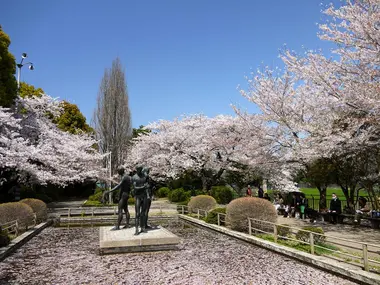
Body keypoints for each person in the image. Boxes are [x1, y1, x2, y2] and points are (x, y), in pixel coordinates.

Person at [132, 166, 149, 235]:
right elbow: (134, 187)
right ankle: (136, 229)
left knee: (143, 213)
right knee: (137, 213)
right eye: (139, 169)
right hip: (138, 196)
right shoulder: (134, 177)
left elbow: (147, 185)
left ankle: (142, 227)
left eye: (141, 169)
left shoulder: (144, 176)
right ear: (136, 169)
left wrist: (147, 192)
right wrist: (143, 187)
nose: (140, 170)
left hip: (144, 196)